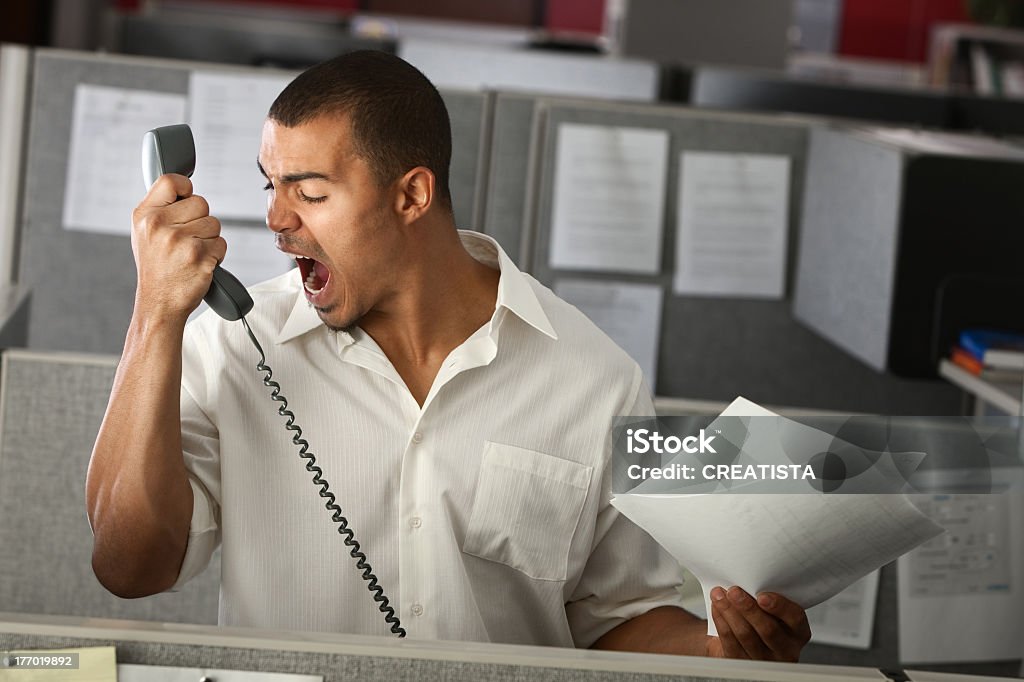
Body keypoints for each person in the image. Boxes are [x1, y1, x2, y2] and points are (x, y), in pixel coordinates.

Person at [86, 50, 810, 660]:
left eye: (308, 191)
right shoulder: (234, 344)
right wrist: (156, 312)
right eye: (269, 186)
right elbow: (127, 566)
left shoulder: (594, 379)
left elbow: (616, 620)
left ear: (412, 196)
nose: (276, 220)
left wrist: (722, 652)